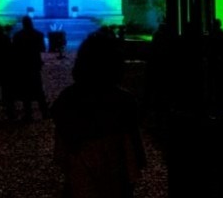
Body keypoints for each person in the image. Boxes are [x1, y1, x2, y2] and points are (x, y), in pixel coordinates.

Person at [52, 28, 146, 198]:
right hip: (116, 182)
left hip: (80, 179)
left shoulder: (67, 99)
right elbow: (135, 155)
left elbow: (60, 154)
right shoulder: (124, 101)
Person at [12, 15, 48, 121]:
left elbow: (14, 51)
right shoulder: (38, 35)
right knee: (38, 90)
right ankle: (44, 112)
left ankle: (28, 114)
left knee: (25, 91)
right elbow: (42, 48)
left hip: (23, 65)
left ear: (23, 24)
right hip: (34, 65)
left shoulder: (17, 36)